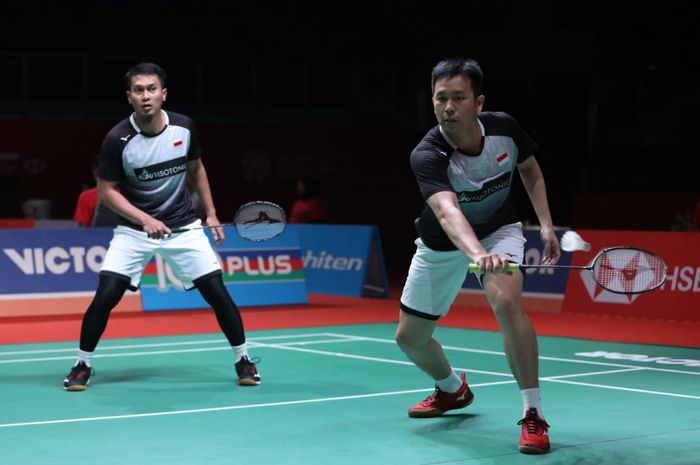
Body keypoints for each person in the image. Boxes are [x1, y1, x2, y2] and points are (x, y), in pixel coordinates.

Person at [395, 58, 560, 454]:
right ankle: (453, 390)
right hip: (441, 243)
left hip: (499, 230)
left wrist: (547, 225)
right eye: (440, 99)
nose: (448, 107)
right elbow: (448, 212)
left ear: (478, 102)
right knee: (410, 339)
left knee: (506, 301)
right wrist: (475, 253)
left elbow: (530, 169)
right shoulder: (428, 154)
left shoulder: (505, 129)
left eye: (458, 98)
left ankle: (533, 414)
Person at [63, 62, 260, 391]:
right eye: (138, 90)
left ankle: (243, 359)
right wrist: (145, 219)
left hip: (184, 227)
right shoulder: (117, 139)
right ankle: (82, 365)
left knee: (217, 293)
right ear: (129, 97)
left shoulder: (184, 128)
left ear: (163, 94)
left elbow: (196, 170)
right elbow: (106, 192)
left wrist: (211, 213)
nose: (145, 96)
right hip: (134, 231)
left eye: (151, 89)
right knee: (105, 296)